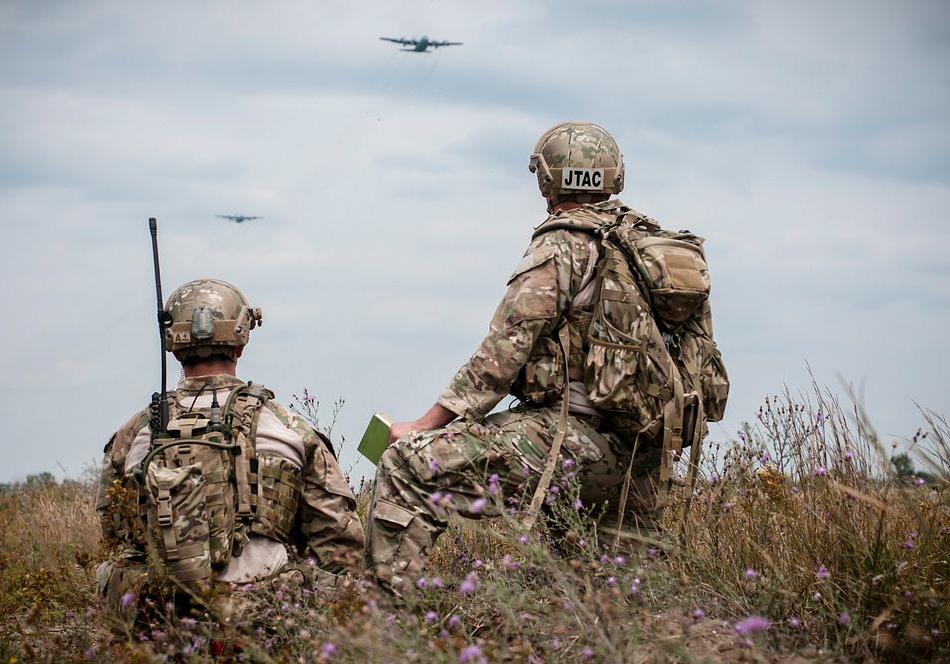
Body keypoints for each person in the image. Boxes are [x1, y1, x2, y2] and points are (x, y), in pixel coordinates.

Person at [366, 121, 728, 591]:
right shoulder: (657, 252)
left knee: (407, 466)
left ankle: (384, 627)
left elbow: (503, 352)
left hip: (574, 447)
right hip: (646, 460)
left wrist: (423, 426)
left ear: (546, 180)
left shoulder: (562, 243)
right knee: (611, 601)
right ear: (614, 177)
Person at [95, 278, 364, 620]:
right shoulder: (289, 429)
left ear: (174, 349)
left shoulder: (133, 434)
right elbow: (341, 544)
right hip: (261, 616)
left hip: (159, 617)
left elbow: (114, 531)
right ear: (240, 345)